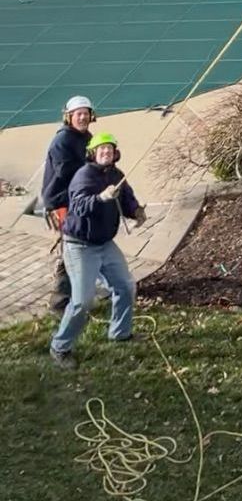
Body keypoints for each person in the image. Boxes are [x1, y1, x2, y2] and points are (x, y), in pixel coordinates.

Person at [50, 130, 146, 368]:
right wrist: (101, 198)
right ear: (93, 153)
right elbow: (79, 206)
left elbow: (127, 198)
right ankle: (60, 347)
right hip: (79, 245)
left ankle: (120, 333)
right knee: (82, 302)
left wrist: (136, 211)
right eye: (102, 149)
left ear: (115, 153)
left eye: (110, 149)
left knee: (125, 286)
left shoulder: (116, 175)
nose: (106, 152)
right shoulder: (84, 176)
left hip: (104, 243)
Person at [39, 94, 96, 313]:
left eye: (86, 114)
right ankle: (60, 301)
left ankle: (77, 289)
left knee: (82, 244)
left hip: (75, 198)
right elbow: (67, 172)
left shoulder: (86, 137)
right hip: (61, 201)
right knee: (71, 247)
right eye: (78, 114)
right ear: (69, 117)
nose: (83, 118)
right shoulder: (62, 140)